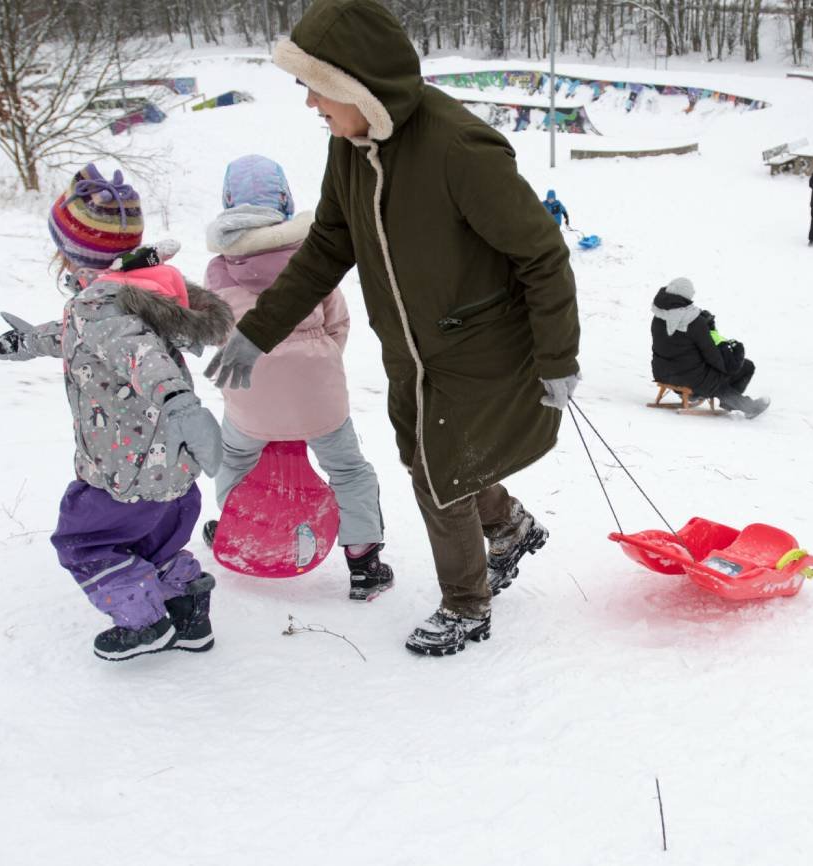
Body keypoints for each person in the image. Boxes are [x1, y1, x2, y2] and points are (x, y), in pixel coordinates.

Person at [205, 0, 581, 657]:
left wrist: (556, 357)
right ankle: (510, 525)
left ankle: (468, 605)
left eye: (319, 90)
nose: (312, 107)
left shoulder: (460, 148)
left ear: (358, 85)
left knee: (439, 477)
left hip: (477, 347)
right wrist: (257, 332)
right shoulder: (353, 146)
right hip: (411, 350)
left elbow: (541, 253)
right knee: (428, 462)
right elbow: (327, 246)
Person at [0, 164, 234, 661]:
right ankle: (189, 620)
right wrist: (30, 342)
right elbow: (89, 341)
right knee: (157, 545)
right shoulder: (139, 292)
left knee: (83, 542)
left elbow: (138, 356)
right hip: (171, 468)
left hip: (123, 471)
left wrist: (181, 404)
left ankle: (144, 623)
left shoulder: (96, 307)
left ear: (73, 253)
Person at [203, 154, 393, 601]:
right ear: (285, 200)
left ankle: (237, 526)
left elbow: (215, 334)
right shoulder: (311, 256)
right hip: (317, 393)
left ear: (229, 202)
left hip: (252, 397)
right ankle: (364, 562)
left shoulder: (217, 270)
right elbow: (338, 323)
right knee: (348, 469)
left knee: (234, 460)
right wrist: (318, 365)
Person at [650, 278, 768, 418]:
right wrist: (732, 360)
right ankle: (746, 406)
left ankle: (696, 395)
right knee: (741, 369)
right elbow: (714, 357)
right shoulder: (694, 322)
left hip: (661, 372)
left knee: (713, 376)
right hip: (691, 378)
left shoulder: (657, 317)